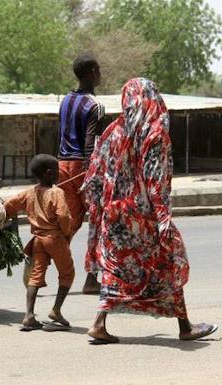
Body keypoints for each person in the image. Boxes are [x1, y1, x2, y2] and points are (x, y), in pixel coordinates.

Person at [83, 78, 218, 344]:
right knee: (167, 262)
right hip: (142, 216)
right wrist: (163, 216)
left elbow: (95, 174)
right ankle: (185, 327)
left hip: (114, 214)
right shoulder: (154, 132)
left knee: (116, 267)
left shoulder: (114, 130)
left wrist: (96, 204)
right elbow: (154, 177)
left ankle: (99, 323)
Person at [5, 154, 75, 331]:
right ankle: (56, 310)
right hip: (55, 239)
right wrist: (66, 234)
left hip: (38, 241)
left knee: (35, 276)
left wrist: (3, 214)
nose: (59, 174)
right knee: (67, 273)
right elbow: (64, 216)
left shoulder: (30, 192)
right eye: (57, 171)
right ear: (50, 173)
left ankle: (29, 315)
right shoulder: (57, 193)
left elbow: (10, 204)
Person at [58, 54, 104, 295]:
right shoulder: (94, 105)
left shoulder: (65, 100)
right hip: (83, 167)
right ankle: (92, 278)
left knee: (69, 223)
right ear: (91, 73)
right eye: (98, 70)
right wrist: (91, 174)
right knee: (98, 221)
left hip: (63, 166)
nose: (100, 74)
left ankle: (41, 262)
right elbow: (91, 141)